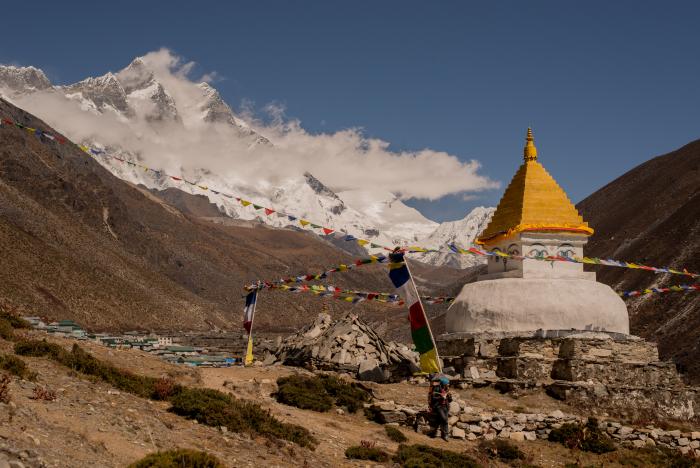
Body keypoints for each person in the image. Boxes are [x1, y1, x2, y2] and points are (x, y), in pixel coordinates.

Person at [428, 375, 452, 441]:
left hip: (446, 407)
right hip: (439, 406)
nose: (448, 385)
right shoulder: (437, 388)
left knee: (442, 420)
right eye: (446, 384)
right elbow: (433, 398)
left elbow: (450, 400)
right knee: (444, 419)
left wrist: (449, 397)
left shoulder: (447, 389)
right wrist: (441, 397)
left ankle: (444, 435)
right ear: (443, 384)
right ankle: (445, 434)